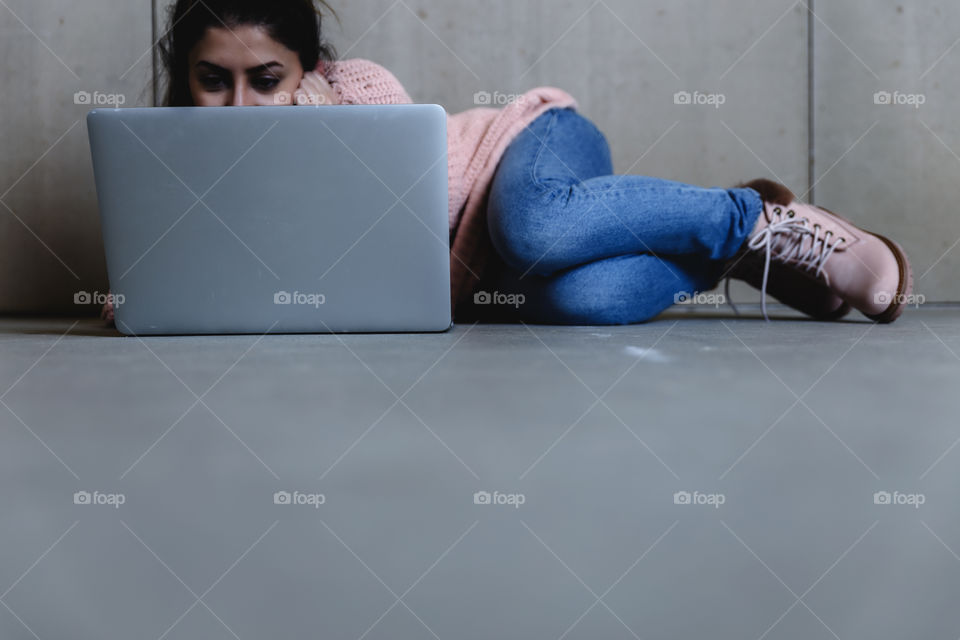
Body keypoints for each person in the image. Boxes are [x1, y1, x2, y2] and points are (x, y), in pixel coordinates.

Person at [102, 0, 912, 326]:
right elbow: (201, 276)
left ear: (309, 72)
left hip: (527, 158)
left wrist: (304, 124)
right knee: (588, 302)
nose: (241, 106)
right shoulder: (180, 170)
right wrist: (147, 287)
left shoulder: (354, 92)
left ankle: (759, 220)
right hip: (510, 279)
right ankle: (724, 251)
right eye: (214, 83)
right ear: (186, 81)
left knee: (528, 225)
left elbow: (392, 216)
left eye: (265, 80)